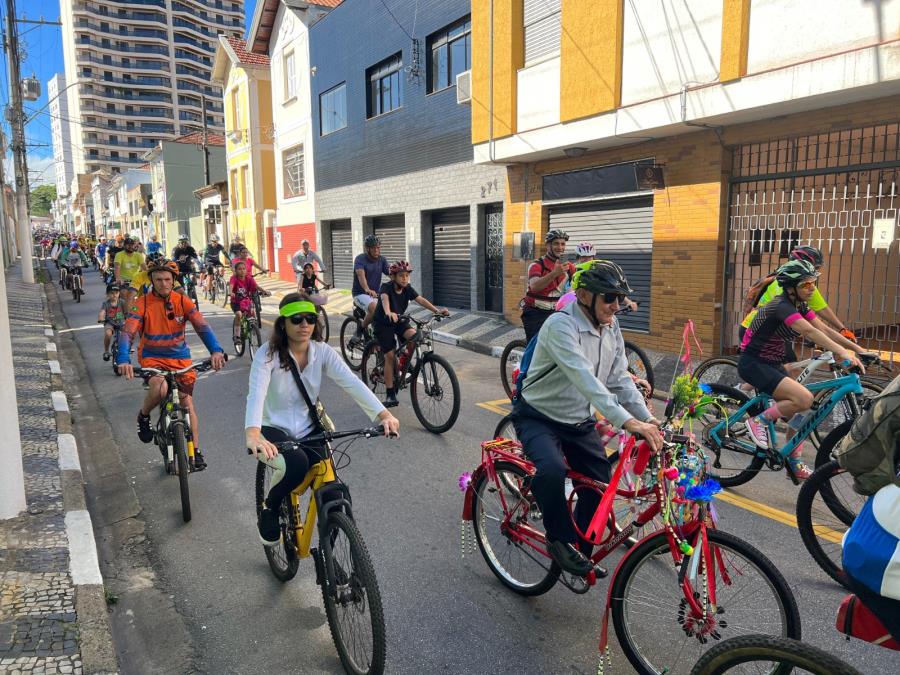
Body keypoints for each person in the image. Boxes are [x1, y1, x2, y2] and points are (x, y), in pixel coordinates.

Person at [511, 260, 663, 576]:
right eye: (609, 297)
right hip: (539, 415)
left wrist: (649, 419)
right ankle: (558, 540)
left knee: (599, 486)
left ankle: (579, 553)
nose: (616, 305)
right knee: (551, 470)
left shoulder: (611, 327)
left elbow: (619, 379)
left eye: (619, 298)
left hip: (578, 421)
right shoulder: (559, 326)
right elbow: (587, 381)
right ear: (583, 295)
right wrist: (629, 423)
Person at [245, 294, 400, 545]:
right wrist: (253, 433)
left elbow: (351, 383)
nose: (304, 324)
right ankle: (270, 508)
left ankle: (329, 557)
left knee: (335, 492)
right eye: (296, 319)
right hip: (273, 428)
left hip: (309, 427)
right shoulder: (268, 355)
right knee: (295, 463)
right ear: (283, 324)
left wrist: (383, 414)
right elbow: (257, 393)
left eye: (310, 319)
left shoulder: (322, 351)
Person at [738, 259, 869, 479]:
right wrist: (843, 353)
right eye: (806, 285)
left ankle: (793, 460)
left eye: (813, 283)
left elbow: (823, 328)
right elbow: (809, 332)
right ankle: (758, 420)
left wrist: (858, 349)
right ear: (790, 288)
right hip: (754, 363)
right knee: (803, 399)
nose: (812, 289)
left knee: (806, 411)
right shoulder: (781, 306)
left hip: (772, 363)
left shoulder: (799, 305)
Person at [116, 258, 226, 471]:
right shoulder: (143, 302)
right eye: (158, 279)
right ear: (151, 280)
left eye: (167, 279)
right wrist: (122, 359)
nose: (163, 284)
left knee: (187, 404)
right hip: (152, 357)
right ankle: (144, 415)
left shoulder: (182, 301)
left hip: (180, 358)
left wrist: (216, 351)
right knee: (160, 386)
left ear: (174, 280)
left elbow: (202, 327)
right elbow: (128, 332)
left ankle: (196, 450)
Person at [740, 245, 857, 348]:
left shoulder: (803, 285)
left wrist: (842, 329)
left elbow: (821, 308)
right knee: (785, 367)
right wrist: (813, 335)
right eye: (814, 267)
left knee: (789, 367)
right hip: (756, 330)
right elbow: (790, 314)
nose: (814, 272)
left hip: (774, 332)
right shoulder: (785, 285)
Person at [373, 260, 449, 408]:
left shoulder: (407, 288)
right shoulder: (386, 287)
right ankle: (390, 394)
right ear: (393, 277)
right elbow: (384, 299)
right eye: (401, 275)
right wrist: (388, 312)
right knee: (389, 356)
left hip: (399, 320)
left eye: (407, 275)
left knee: (416, 336)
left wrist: (437, 311)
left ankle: (403, 362)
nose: (405, 279)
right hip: (383, 323)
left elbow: (420, 299)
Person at [521, 230, 576, 342]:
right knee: (535, 347)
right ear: (548, 245)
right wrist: (555, 273)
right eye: (556, 243)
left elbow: (577, 288)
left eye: (563, 244)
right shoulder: (537, 265)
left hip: (556, 313)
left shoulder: (569, 267)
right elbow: (535, 286)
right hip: (535, 313)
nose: (560, 247)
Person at [352, 235, 390, 335]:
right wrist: (367, 289)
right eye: (374, 248)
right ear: (367, 248)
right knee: (374, 308)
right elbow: (361, 275)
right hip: (360, 293)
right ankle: (359, 330)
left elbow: (391, 274)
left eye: (378, 247)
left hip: (375, 294)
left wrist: (401, 283)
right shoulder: (360, 259)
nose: (376, 250)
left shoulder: (382, 260)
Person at [230, 259, 270, 342]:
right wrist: (231, 293)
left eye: (244, 269)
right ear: (236, 271)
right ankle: (236, 336)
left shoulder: (249, 278)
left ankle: (252, 327)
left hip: (246, 301)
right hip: (236, 302)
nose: (242, 271)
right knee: (239, 315)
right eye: (239, 269)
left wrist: (264, 291)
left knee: (252, 313)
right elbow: (231, 285)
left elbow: (256, 287)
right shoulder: (234, 278)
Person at [114, 236, 146, 305]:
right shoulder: (119, 255)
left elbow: (145, 268)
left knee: (143, 297)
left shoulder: (138, 255)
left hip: (136, 281)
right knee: (124, 294)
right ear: (124, 246)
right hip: (124, 281)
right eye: (128, 245)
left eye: (132, 245)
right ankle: (127, 314)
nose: (130, 246)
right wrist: (118, 278)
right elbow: (117, 267)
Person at [98, 284, 126, 361]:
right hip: (110, 323)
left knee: (128, 333)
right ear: (107, 294)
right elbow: (102, 312)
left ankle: (127, 348)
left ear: (119, 293)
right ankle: (106, 351)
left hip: (121, 323)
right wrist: (101, 318)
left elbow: (130, 308)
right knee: (108, 334)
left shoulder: (122, 302)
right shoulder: (106, 304)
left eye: (116, 293)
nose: (114, 295)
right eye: (112, 293)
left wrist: (135, 310)